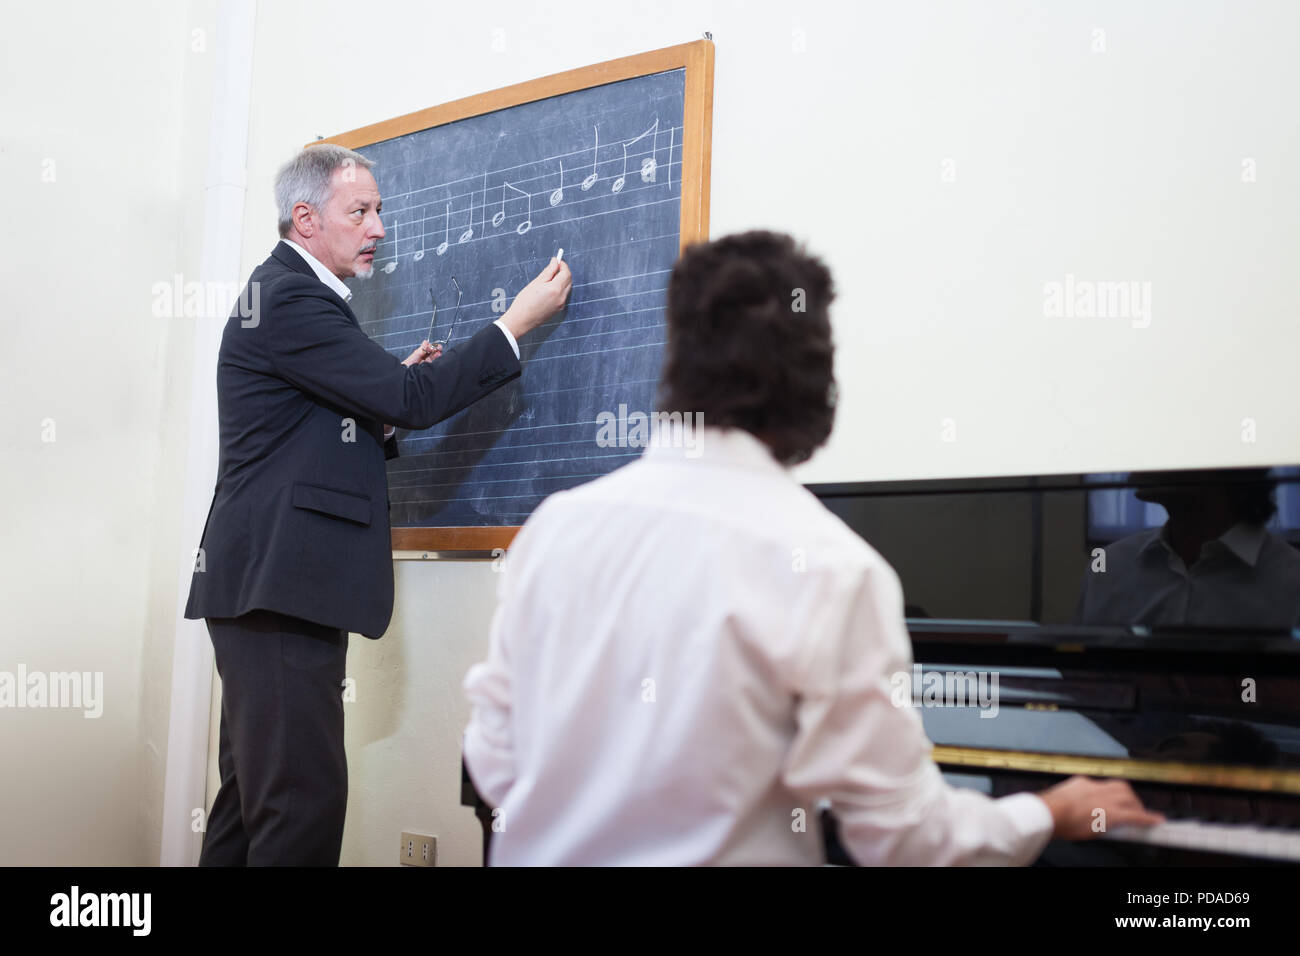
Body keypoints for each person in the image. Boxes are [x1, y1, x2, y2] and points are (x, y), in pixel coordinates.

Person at [462, 230, 1160, 865]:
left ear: (675, 367)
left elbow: (493, 761)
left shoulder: (554, 528)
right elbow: (900, 838)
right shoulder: (830, 567)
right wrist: (1048, 810)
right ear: (818, 382)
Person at [185, 143, 571, 865]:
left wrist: (382, 406)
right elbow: (414, 400)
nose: (379, 228)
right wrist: (512, 325)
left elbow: (316, 424)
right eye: (359, 212)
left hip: (267, 588)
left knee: (252, 808)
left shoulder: (289, 296)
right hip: (278, 589)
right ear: (306, 219)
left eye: (379, 211)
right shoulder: (295, 299)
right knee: (300, 810)